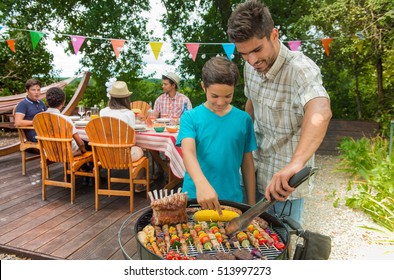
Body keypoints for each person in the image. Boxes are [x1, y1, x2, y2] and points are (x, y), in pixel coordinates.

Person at [227, 0, 332, 225]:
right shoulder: (250, 66)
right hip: (252, 173)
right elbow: (251, 102)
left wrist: (296, 163)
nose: (252, 60)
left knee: (279, 247)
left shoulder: (300, 69)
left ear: (274, 34)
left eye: (257, 50)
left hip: (284, 185)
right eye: (244, 54)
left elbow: (320, 110)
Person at [176, 56, 257, 213]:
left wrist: (252, 206)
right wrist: (201, 184)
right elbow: (188, 152)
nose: (220, 102)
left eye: (228, 96)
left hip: (232, 199)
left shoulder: (243, 120)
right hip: (195, 197)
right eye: (214, 96)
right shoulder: (190, 117)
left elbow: (247, 164)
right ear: (203, 87)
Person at [100, 80, 146, 192]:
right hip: (124, 156)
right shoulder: (128, 113)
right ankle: (139, 184)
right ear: (126, 98)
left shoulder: (103, 112)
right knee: (143, 151)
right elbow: (133, 141)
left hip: (104, 154)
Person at [45, 87, 86, 156]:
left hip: (49, 152)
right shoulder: (65, 119)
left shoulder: (39, 118)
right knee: (89, 146)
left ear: (46, 101)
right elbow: (80, 143)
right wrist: (84, 151)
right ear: (63, 102)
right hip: (67, 152)